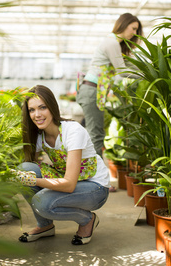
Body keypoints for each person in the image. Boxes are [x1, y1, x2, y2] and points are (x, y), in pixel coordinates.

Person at [11, 85, 110, 245]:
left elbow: (69, 185)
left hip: (94, 187)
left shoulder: (73, 131)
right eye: (32, 110)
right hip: (71, 180)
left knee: (41, 202)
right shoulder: (38, 136)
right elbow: (28, 172)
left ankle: (87, 220)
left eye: (42, 107)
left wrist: (31, 181)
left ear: (52, 107)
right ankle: (45, 226)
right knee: (25, 169)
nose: (37, 115)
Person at [76, 13, 143, 158]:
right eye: (133, 28)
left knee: (95, 133)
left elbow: (130, 64)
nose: (135, 33)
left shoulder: (115, 44)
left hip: (94, 91)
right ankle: (95, 175)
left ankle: (92, 172)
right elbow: (123, 71)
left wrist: (149, 68)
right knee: (96, 135)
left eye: (137, 30)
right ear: (123, 25)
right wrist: (146, 76)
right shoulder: (112, 43)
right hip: (92, 91)